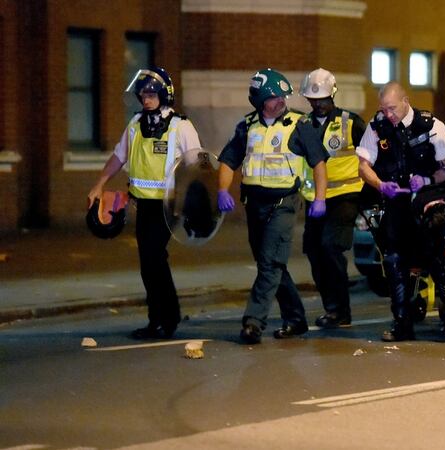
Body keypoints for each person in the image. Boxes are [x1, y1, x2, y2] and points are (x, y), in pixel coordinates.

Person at [87, 67, 202, 339]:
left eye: (151, 94)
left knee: (153, 258)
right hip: (144, 206)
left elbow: (199, 164)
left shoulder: (181, 125)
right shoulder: (136, 124)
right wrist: (99, 184)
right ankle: (159, 319)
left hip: (168, 205)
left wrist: (197, 202)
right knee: (149, 263)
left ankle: (167, 318)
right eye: (143, 95)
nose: (146, 99)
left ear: (164, 94)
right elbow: (119, 157)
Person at [216, 68, 328, 344]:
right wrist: (221, 190)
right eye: (273, 98)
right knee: (272, 264)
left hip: (284, 204)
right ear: (259, 100)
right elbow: (228, 160)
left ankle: (253, 322)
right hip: (254, 205)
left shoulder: (299, 125)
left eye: (282, 96)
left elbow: (319, 163)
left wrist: (321, 198)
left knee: (269, 263)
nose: (280, 102)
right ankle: (296, 318)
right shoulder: (247, 126)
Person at [356, 81, 445, 342]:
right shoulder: (377, 127)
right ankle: (402, 322)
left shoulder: (431, 126)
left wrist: (427, 181)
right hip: (396, 201)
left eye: (392, 108)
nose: (388, 114)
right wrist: (381, 185)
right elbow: (363, 166)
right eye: (384, 109)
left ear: (405, 101)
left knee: (436, 260)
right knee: (394, 261)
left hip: (427, 201)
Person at [298, 68, 367, 329]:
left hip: (345, 197)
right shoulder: (302, 125)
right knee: (315, 253)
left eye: (323, 99)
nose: (318, 104)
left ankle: (341, 311)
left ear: (333, 95)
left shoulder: (351, 123)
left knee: (330, 248)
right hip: (316, 200)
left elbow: (370, 156)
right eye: (313, 100)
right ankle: (332, 308)